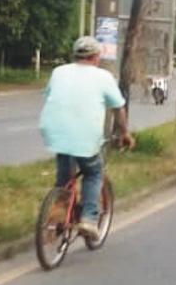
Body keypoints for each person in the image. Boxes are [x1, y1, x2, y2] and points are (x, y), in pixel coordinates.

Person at [39, 36, 135, 239]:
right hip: (86, 137)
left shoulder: (58, 72)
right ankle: (89, 219)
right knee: (93, 173)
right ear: (96, 57)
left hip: (56, 133)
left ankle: (58, 214)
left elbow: (49, 96)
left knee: (64, 179)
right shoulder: (103, 77)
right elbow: (119, 108)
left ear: (75, 55)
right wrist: (124, 133)